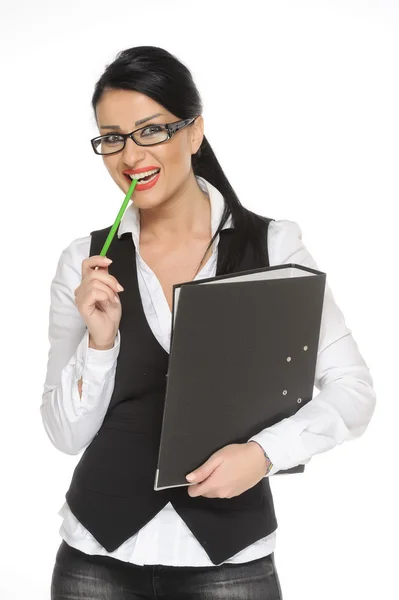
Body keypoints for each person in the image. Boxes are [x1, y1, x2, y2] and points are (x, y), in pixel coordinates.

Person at [41, 45, 377, 600]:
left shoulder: (274, 246)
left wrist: (265, 454)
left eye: (150, 131)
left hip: (230, 562)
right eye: (112, 137)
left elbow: (353, 390)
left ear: (194, 132)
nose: (130, 156)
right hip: (94, 560)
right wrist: (99, 345)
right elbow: (63, 434)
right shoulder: (86, 260)